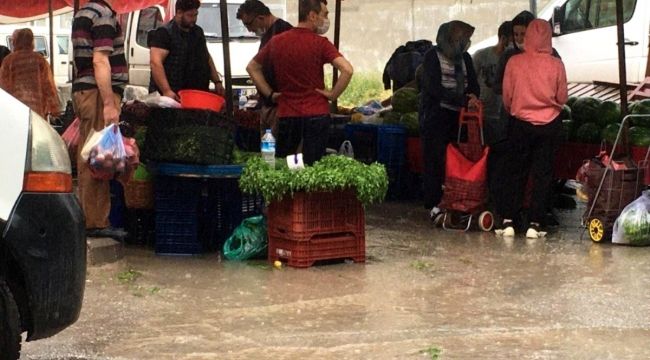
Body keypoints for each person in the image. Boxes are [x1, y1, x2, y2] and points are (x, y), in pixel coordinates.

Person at [246, 0, 353, 165]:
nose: (326, 19)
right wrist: (332, 94)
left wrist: (270, 94)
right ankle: (307, 192)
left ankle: (293, 190)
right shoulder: (321, 43)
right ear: (312, 15)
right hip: (317, 116)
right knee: (311, 168)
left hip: (287, 116)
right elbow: (347, 69)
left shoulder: (277, 41)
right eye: (325, 14)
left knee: (292, 166)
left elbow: (252, 67)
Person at [498, 19, 568, 239]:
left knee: (515, 172)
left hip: (520, 123)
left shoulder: (514, 62)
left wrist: (518, 109)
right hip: (549, 125)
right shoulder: (556, 64)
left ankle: (509, 221)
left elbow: (507, 97)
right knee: (543, 175)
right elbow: (563, 97)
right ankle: (535, 224)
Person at [72, 0, 128, 239]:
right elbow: (100, 60)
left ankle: (91, 219)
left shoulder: (84, 13)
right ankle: (95, 223)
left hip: (86, 90)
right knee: (98, 157)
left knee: (90, 155)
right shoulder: (103, 14)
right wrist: (108, 103)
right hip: (97, 93)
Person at [417, 20, 480, 221]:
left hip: (460, 118)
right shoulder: (432, 57)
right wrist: (459, 98)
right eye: (461, 39)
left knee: (457, 161)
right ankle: (434, 203)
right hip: (437, 116)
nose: (464, 43)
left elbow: (474, 85)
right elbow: (433, 88)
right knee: (434, 160)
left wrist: (471, 97)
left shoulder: (466, 59)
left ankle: (455, 200)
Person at [236, 0, 293, 136]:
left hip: (279, 106)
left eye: (248, 24)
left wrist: (271, 94)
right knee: (268, 151)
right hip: (268, 104)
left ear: (260, 17)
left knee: (275, 151)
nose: (249, 30)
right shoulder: (267, 35)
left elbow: (254, 67)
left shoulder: (283, 32)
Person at [148, 0, 224, 100]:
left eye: (196, 15)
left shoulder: (198, 32)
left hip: (196, 93)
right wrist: (166, 90)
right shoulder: (164, 33)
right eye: (190, 15)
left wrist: (217, 81)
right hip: (173, 95)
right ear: (179, 13)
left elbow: (206, 57)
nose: (194, 19)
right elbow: (155, 63)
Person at [0, 28, 59, 119]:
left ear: (16, 41)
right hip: (37, 109)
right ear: (31, 41)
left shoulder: (8, 60)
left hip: (15, 108)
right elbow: (48, 86)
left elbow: (3, 86)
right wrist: (54, 108)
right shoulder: (40, 60)